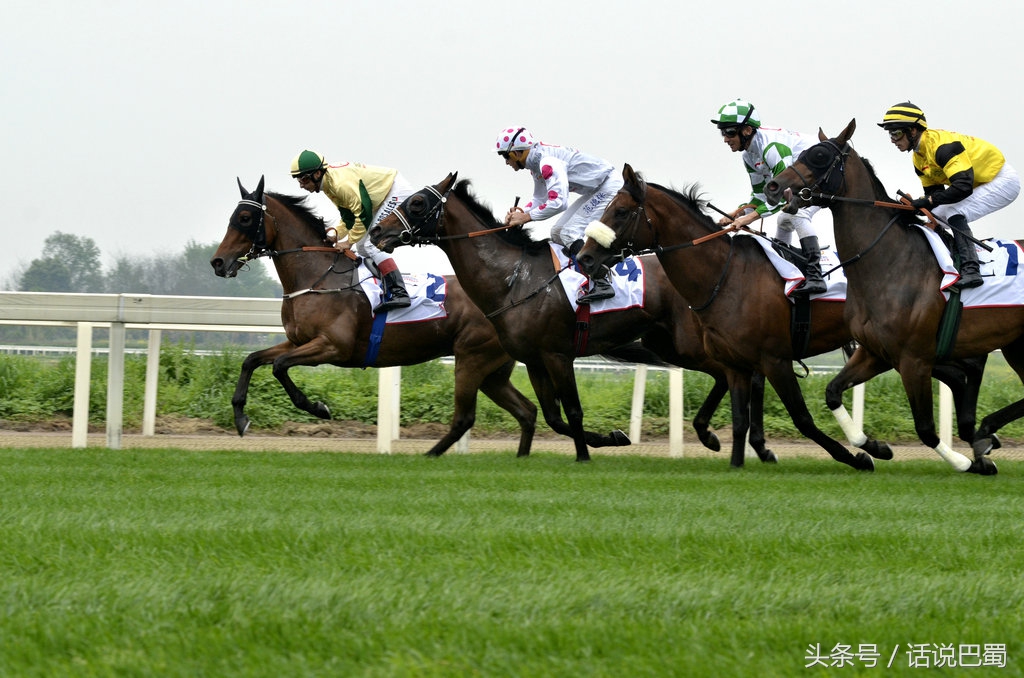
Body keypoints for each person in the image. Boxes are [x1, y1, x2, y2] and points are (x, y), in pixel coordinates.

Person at [878, 101, 1020, 289]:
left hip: (1002, 180)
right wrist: (918, 207)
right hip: (978, 183)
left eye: (896, 133)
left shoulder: (942, 147)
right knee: (938, 217)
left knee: (954, 213)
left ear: (913, 131)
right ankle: (953, 257)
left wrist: (928, 201)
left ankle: (972, 269)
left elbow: (962, 186)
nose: (892, 140)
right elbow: (934, 196)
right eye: (890, 134)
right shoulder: (918, 157)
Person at [494, 126, 623, 303]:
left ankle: (602, 280)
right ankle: (580, 273)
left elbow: (558, 202)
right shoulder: (535, 163)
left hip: (609, 186)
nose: (506, 162)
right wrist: (523, 211)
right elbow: (541, 198)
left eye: (505, 156)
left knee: (569, 232)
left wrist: (526, 217)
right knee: (557, 232)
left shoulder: (546, 162)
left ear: (517, 153)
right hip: (598, 187)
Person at [710, 99, 827, 295]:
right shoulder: (748, 155)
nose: (725, 139)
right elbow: (759, 196)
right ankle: (789, 267)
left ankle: (816, 276)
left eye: (729, 132)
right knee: (783, 220)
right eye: (722, 132)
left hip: (824, 173)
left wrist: (749, 218)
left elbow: (781, 195)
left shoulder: (771, 147)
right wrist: (737, 214)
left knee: (797, 215)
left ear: (747, 130)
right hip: (804, 181)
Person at [290, 150, 413, 312]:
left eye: (304, 179)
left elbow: (363, 212)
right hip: (379, 198)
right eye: (298, 179)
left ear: (318, 173)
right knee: (362, 248)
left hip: (394, 191)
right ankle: (383, 285)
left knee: (371, 244)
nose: (301, 184)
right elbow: (349, 216)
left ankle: (399, 291)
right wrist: (336, 235)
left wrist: (348, 242)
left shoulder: (340, 185)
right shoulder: (328, 184)